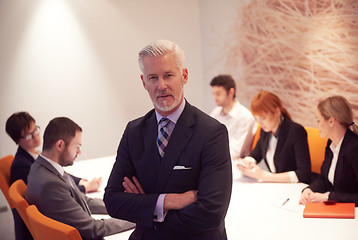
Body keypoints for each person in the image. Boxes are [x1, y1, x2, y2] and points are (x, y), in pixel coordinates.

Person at [104, 40, 232, 240]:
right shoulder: (134, 132)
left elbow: (210, 214)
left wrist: (145, 208)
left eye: (168, 75)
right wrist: (168, 202)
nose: (161, 85)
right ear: (143, 82)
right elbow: (112, 201)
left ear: (185, 76)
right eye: (153, 77)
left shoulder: (211, 133)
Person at [25, 117, 135, 239]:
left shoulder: (41, 167)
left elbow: (85, 201)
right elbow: (93, 228)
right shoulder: (50, 185)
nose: (79, 152)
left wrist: (123, 206)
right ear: (60, 145)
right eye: (77, 146)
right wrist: (136, 219)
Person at [5, 112, 101, 240]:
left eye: (35, 130)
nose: (35, 136)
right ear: (17, 140)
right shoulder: (22, 167)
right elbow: (54, 194)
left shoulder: (39, 158)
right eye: (29, 135)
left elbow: (60, 175)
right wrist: (83, 188)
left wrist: (80, 181)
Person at [237, 91, 311, 183]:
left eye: (263, 118)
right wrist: (247, 161)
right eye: (257, 118)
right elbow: (256, 154)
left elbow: (303, 174)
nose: (260, 123)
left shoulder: (295, 131)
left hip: (295, 187)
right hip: (276, 185)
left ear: (277, 111)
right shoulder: (265, 131)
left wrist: (264, 176)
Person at [300, 96, 358, 206]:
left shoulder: (356, 149)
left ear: (331, 121)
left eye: (318, 120)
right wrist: (309, 190)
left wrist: (328, 197)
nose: (316, 125)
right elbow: (324, 179)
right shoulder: (330, 143)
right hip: (338, 210)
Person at [210, 74, 256, 159]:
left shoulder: (244, 116)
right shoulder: (215, 112)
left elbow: (236, 152)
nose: (215, 98)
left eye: (218, 94)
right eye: (213, 94)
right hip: (215, 159)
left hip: (234, 163)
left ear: (231, 92)